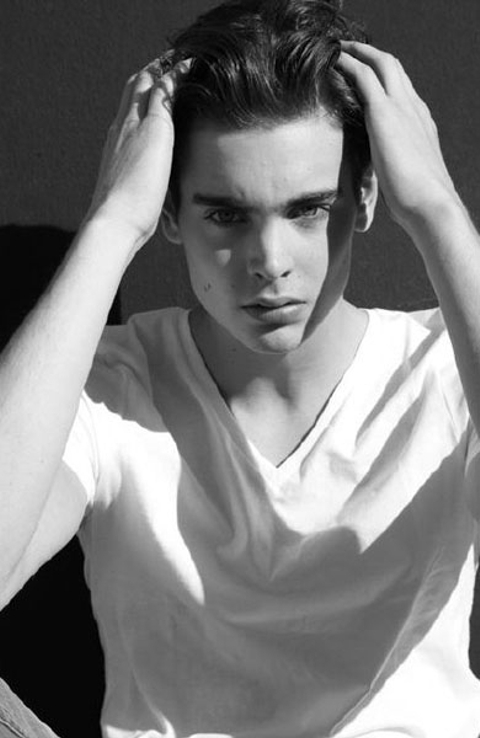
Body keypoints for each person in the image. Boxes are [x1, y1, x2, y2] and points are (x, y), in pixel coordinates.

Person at [1, 0, 480, 736]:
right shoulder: (108, 386)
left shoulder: (447, 369)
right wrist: (113, 223)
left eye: (309, 209)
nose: (270, 262)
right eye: (226, 215)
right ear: (171, 212)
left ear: (364, 196)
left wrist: (439, 211)